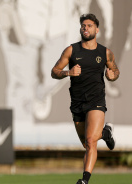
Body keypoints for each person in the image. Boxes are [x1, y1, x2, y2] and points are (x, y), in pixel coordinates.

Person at [51, 14, 119, 184]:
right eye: (83, 25)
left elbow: (115, 71)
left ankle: (84, 181)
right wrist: (68, 72)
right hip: (77, 102)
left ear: (97, 30)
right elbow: (54, 71)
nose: (85, 28)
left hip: (96, 100)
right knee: (87, 144)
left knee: (90, 141)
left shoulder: (105, 52)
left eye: (89, 25)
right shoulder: (71, 50)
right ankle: (105, 133)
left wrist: (112, 76)